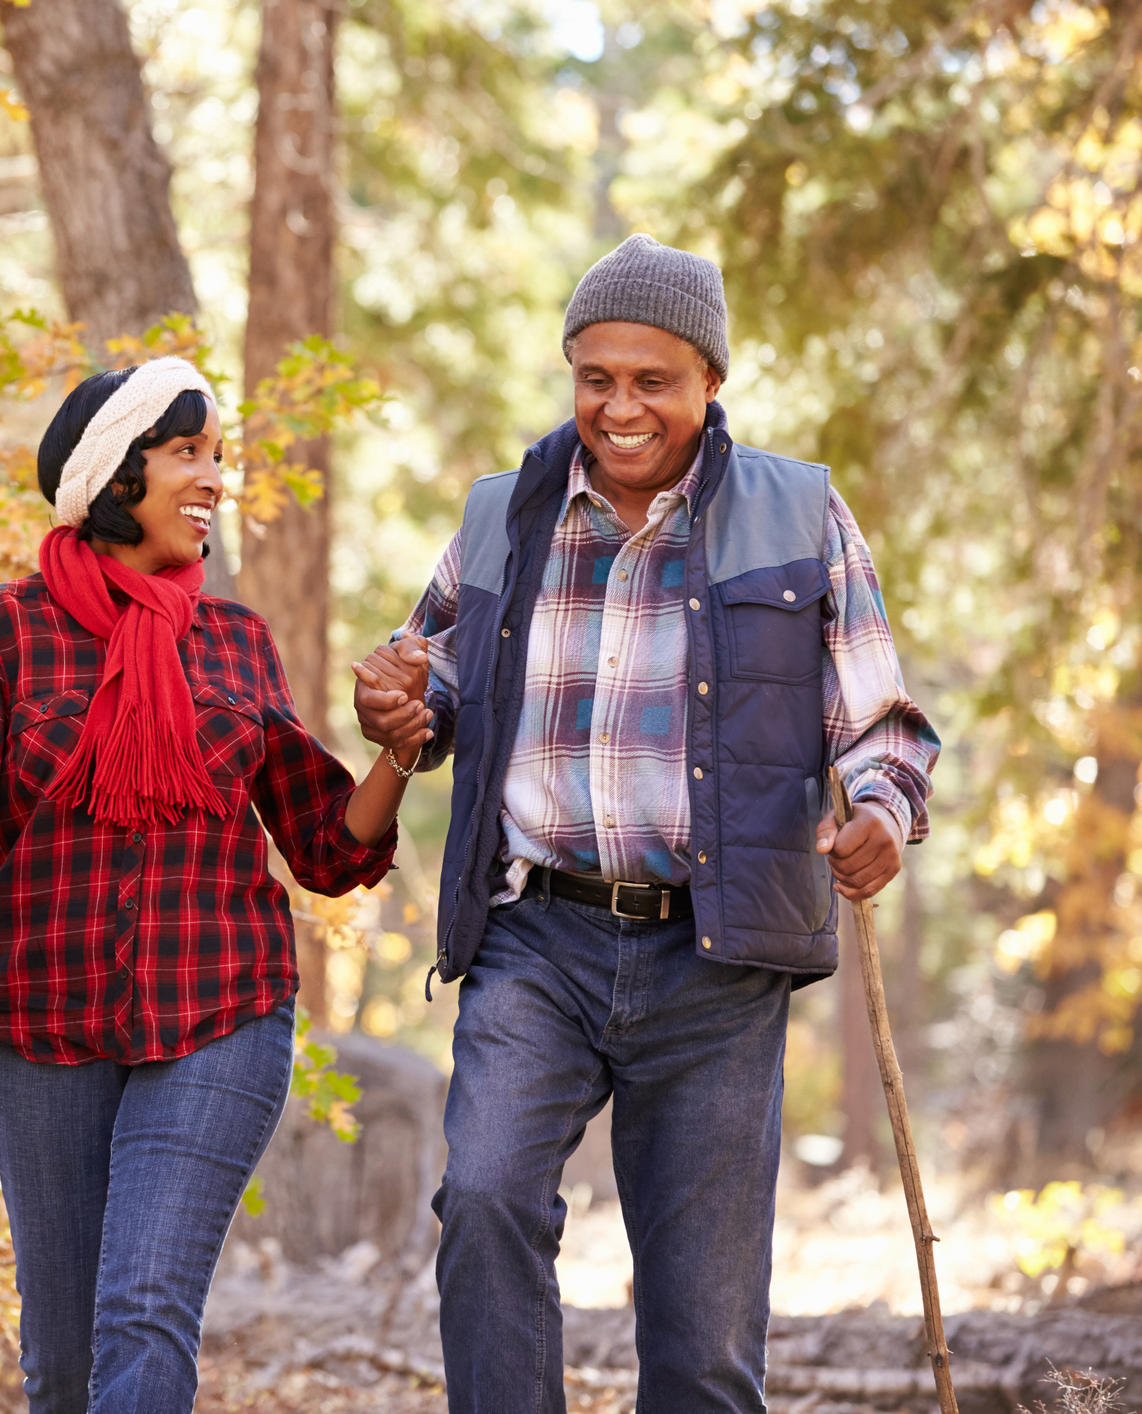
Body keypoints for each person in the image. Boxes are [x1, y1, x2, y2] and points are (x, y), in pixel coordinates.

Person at [351, 235, 941, 1412]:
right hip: (536, 940)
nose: (619, 407)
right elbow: (445, 678)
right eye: (596, 378)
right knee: (485, 1199)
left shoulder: (801, 513)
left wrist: (879, 806)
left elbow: (885, 725)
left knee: (703, 1326)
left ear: (710, 380)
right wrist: (402, 698)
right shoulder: (501, 512)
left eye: (652, 381)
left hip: (714, 957)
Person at [0, 356, 418, 1414]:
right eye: (189, 452)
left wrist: (398, 751)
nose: (214, 477)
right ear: (114, 475)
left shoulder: (232, 640)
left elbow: (324, 844)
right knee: (63, 1353)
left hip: (220, 1008)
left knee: (142, 1308)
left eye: (216, 454)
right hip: (38, 1021)